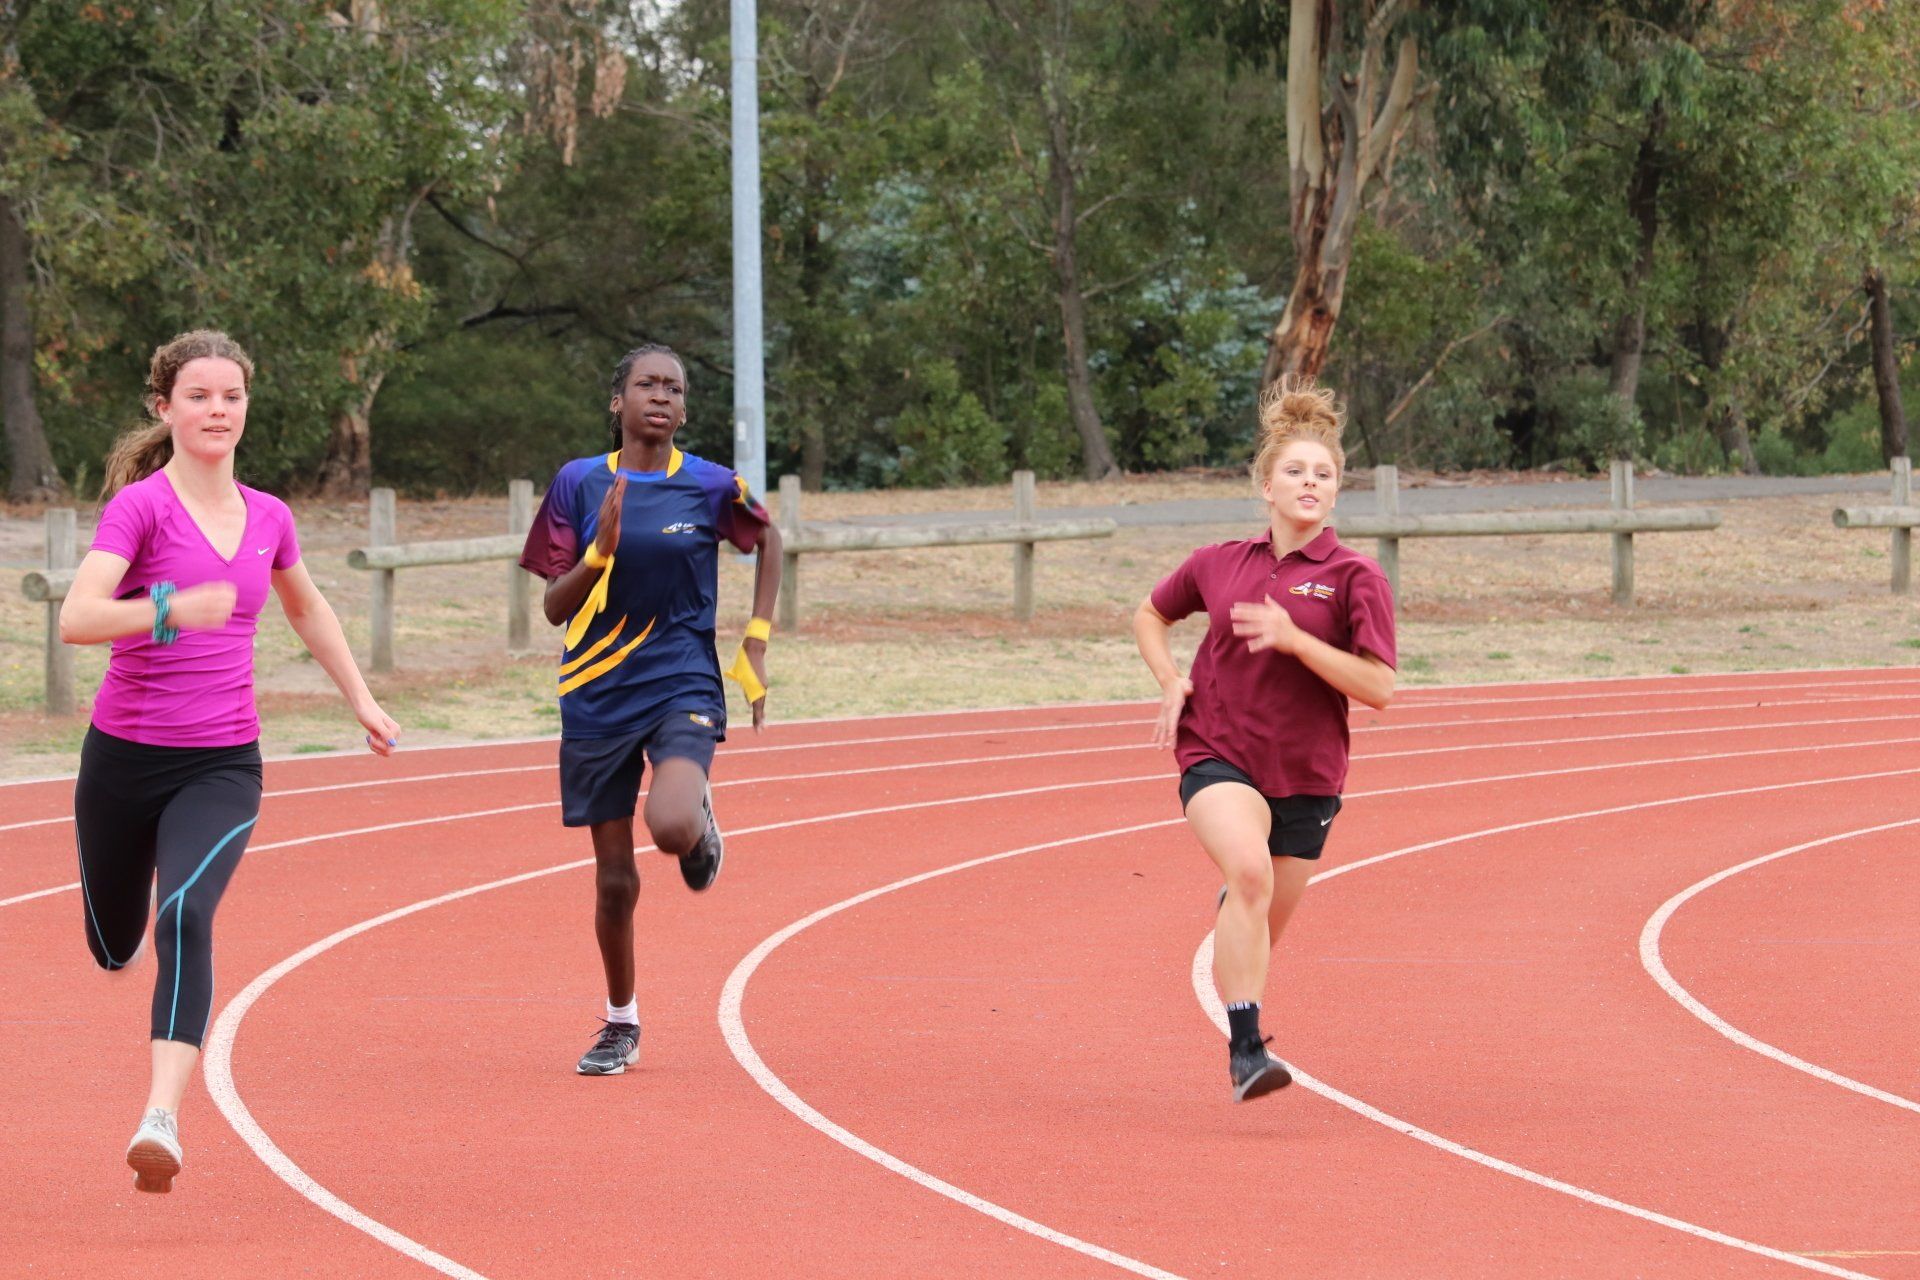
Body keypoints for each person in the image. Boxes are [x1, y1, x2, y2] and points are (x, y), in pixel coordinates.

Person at [60, 330, 401, 1192]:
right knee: (113, 943)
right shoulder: (139, 508)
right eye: (200, 396)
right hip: (122, 760)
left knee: (185, 917)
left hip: (221, 763)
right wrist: (170, 608)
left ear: (246, 407)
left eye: (231, 397)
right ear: (165, 408)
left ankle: (161, 1116)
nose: (217, 410)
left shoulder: (271, 516)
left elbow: (308, 605)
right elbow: (78, 618)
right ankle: (118, 931)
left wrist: (360, 697)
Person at [518, 342, 782, 1076]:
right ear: (618, 401)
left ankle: (697, 825)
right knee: (612, 880)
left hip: (681, 679)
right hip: (596, 691)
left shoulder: (710, 484)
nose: (662, 397)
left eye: (674, 387)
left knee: (667, 825)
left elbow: (771, 538)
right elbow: (551, 606)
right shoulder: (577, 484)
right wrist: (597, 554)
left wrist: (754, 642)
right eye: (647, 385)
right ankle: (620, 1022)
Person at [1133, 377, 1396, 1101]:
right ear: (1267, 486)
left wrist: (1296, 641)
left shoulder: (1355, 577)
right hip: (1217, 753)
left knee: (1255, 930)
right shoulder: (1218, 562)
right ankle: (1248, 1053)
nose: (1310, 482)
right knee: (1250, 875)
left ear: (1337, 493)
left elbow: (1378, 689)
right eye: (1296, 471)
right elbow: (1151, 616)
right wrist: (1168, 679)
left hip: (1308, 777)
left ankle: (1237, 910)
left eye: (1324, 474)